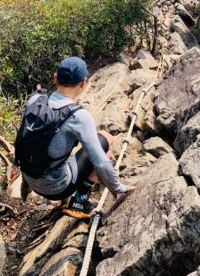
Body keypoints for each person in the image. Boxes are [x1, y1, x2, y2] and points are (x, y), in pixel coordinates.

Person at [20, 56, 134, 219]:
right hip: (57, 188)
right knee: (105, 139)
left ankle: (38, 185)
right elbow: (100, 161)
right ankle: (80, 202)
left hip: (32, 179)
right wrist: (117, 187)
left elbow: (26, 139)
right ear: (83, 83)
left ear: (55, 78)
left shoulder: (35, 100)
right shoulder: (78, 115)